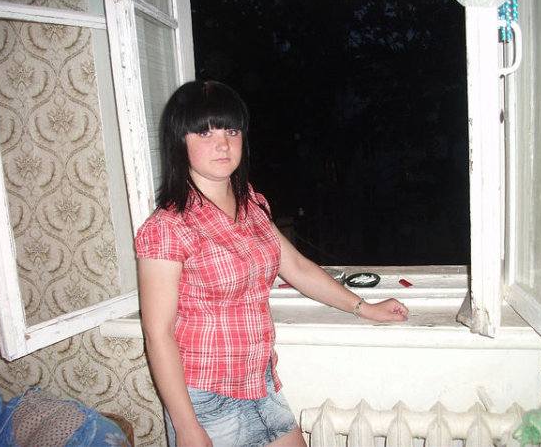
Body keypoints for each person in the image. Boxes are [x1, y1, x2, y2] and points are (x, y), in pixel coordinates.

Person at [135, 80, 409, 447]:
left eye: (231, 131)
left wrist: (365, 308)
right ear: (178, 140)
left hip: (260, 383)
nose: (222, 144)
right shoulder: (167, 227)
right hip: (204, 399)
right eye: (204, 132)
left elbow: (296, 266)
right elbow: (158, 334)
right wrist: (186, 426)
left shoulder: (251, 204)